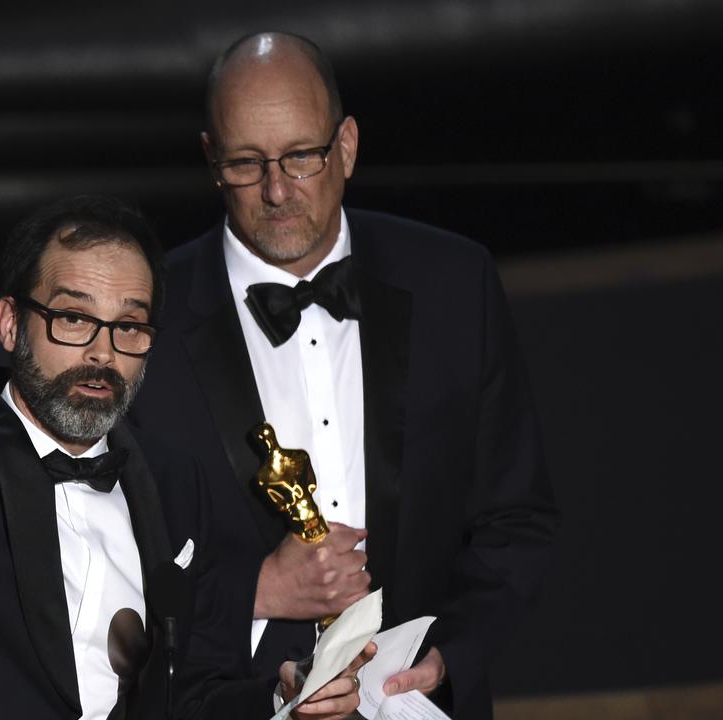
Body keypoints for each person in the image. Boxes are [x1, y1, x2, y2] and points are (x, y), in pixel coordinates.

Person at [129, 32, 561, 718]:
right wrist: (256, 590)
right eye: (247, 162)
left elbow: (517, 519)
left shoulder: (454, 282)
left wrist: (452, 654)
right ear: (212, 160)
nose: (277, 190)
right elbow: (94, 557)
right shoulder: (142, 314)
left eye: (301, 155)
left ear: (348, 146)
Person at [0, 195, 371, 719]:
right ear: (9, 324)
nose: (102, 352)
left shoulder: (175, 482)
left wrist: (286, 701)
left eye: (129, 327)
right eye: (72, 318)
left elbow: (192, 697)